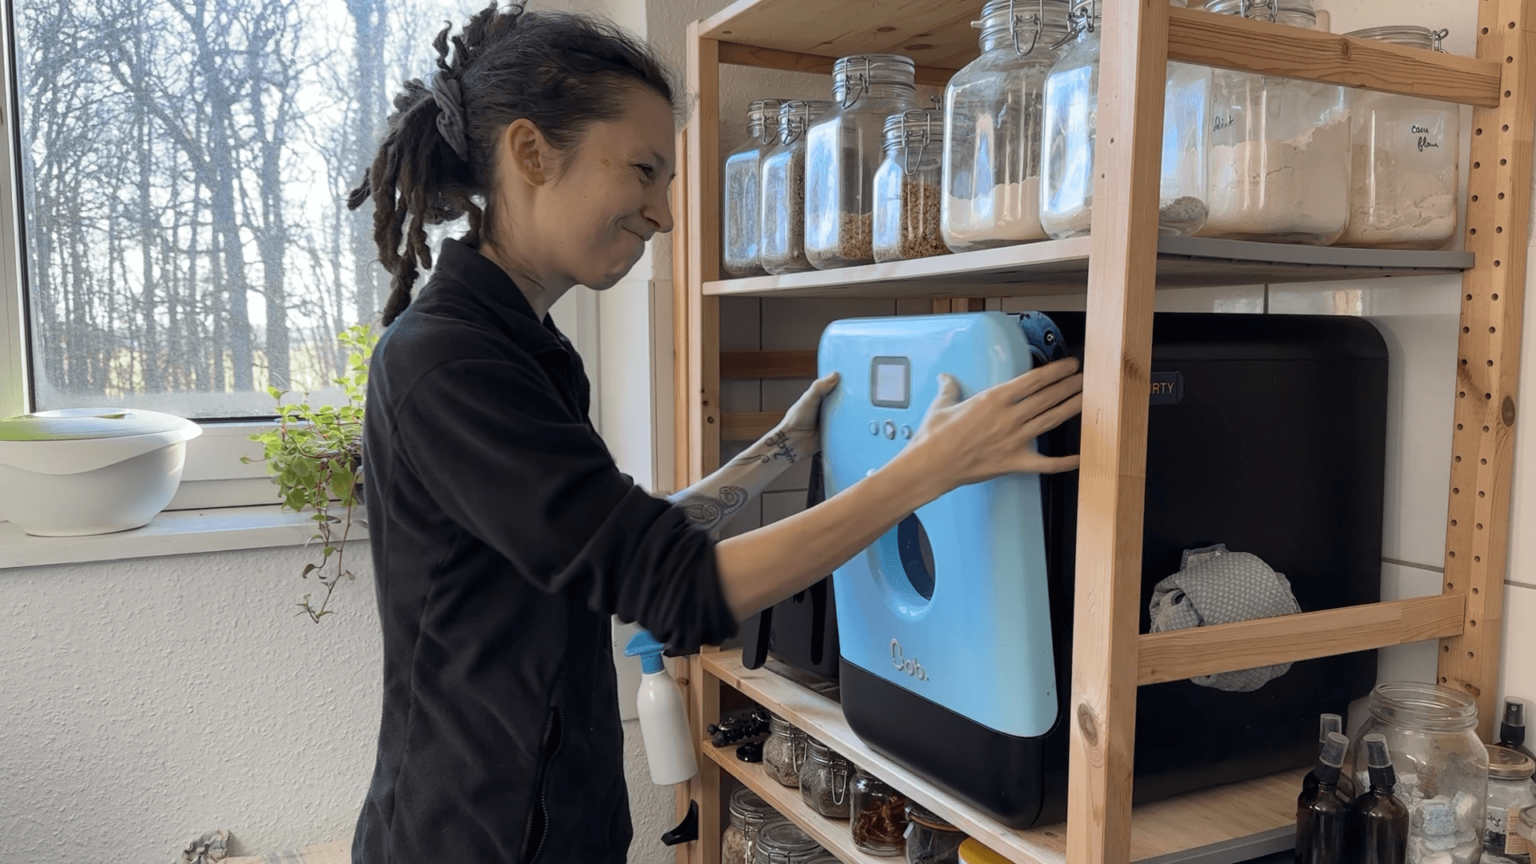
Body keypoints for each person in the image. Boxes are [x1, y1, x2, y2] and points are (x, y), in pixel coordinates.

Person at [346, 4, 1085, 863]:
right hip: (475, 835)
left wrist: (779, 449)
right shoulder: (448, 364)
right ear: (530, 153)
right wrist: (930, 469)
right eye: (645, 171)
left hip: (556, 816)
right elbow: (677, 589)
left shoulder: (527, 346)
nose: (663, 212)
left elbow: (619, 546)